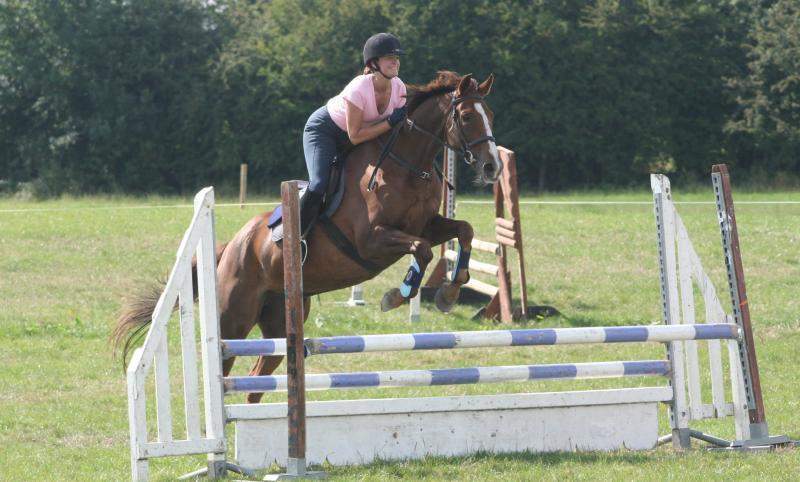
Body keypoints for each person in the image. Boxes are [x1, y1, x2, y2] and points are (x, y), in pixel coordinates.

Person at [300, 32, 408, 237]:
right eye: (389, 58)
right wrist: (389, 122)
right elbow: (355, 136)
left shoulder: (399, 87)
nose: (395, 62)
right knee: (319, 183)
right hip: (325, 131)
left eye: (397, 58)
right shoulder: (359, 88)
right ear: (374, 63)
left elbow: (395, 131)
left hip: (361, 135)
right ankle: (296, 236)